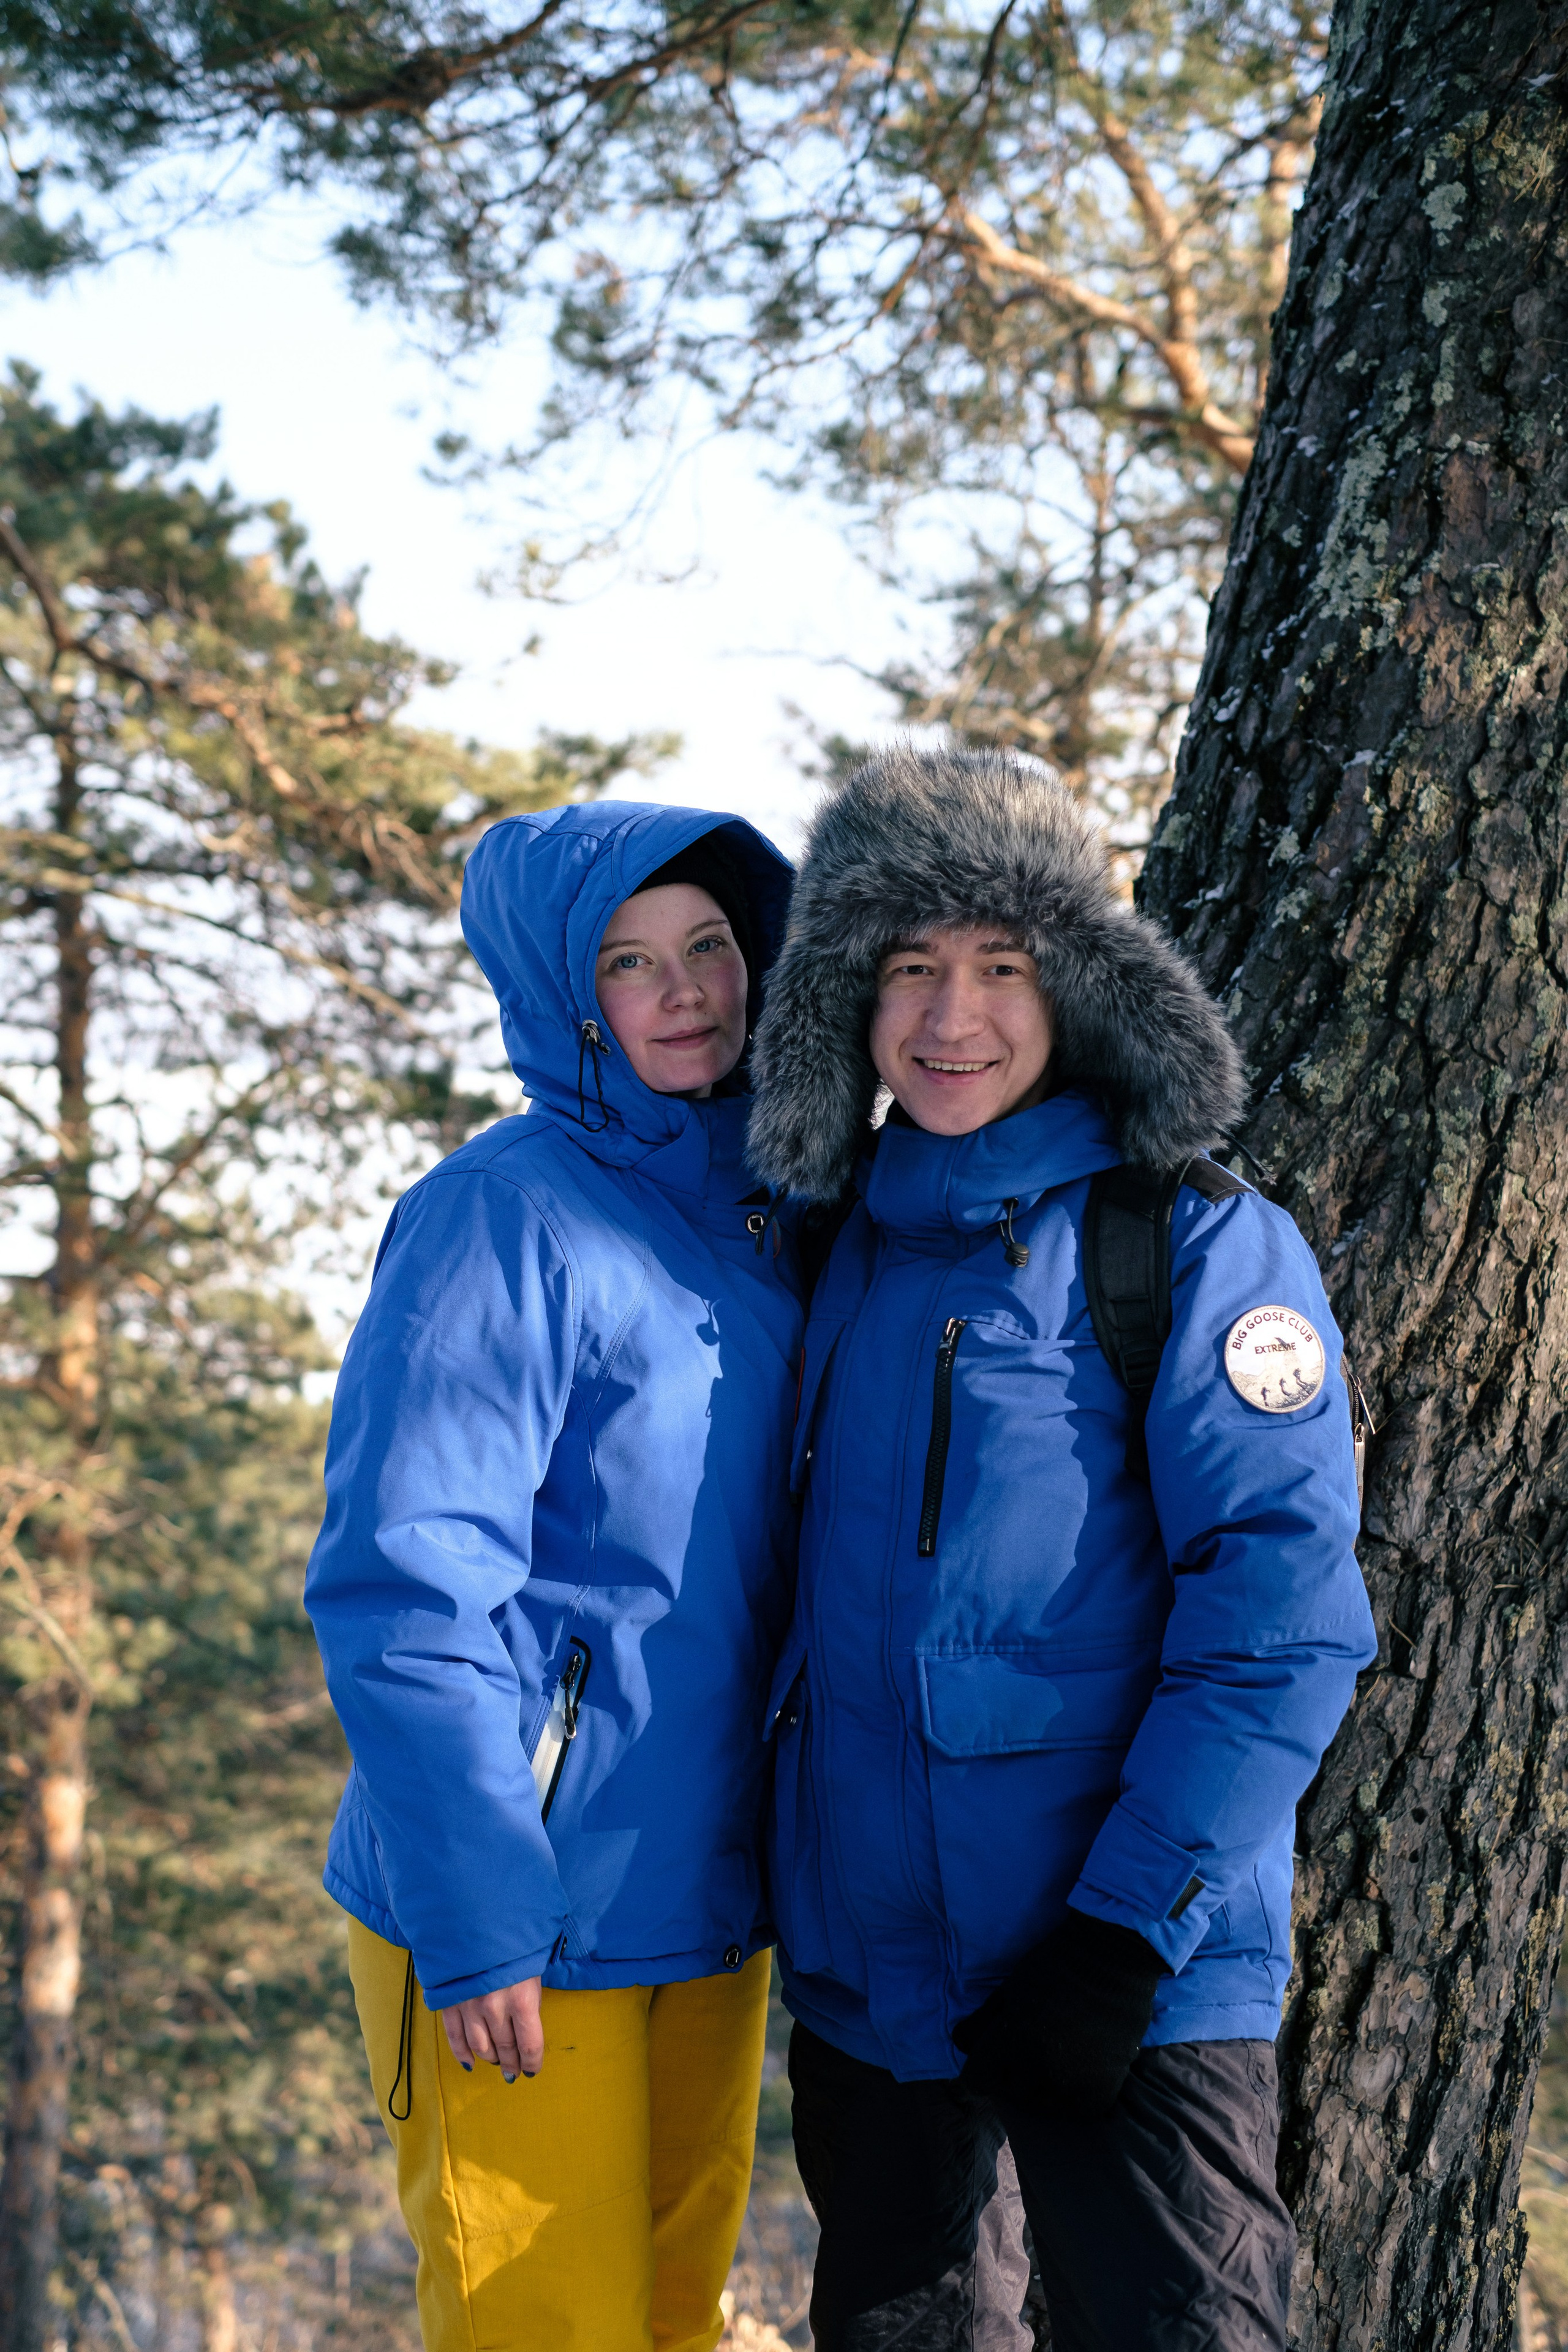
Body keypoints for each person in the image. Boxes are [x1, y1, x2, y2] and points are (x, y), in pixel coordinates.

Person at [744, 745, 1378, 2352]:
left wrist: (1119, 1938)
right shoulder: (837, 1247)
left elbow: (1285, 1619)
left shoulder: (1190, 1243)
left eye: (1000, 965)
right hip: (874, 2009)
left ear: (1079, 983)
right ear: (847, 1005)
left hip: (1131, 1995)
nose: (951, 1018)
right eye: (907, 968)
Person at [305, 802, 802, 2352]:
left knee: (675, 2319)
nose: (685, 990)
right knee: (545, 2331)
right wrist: (477, 1908)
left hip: (706, 1894)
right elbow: (405, 1586)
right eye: (629, 960)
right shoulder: (496, 1216)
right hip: (518, 1909)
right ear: (561, 992)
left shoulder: (783, 1207)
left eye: (710, 945)